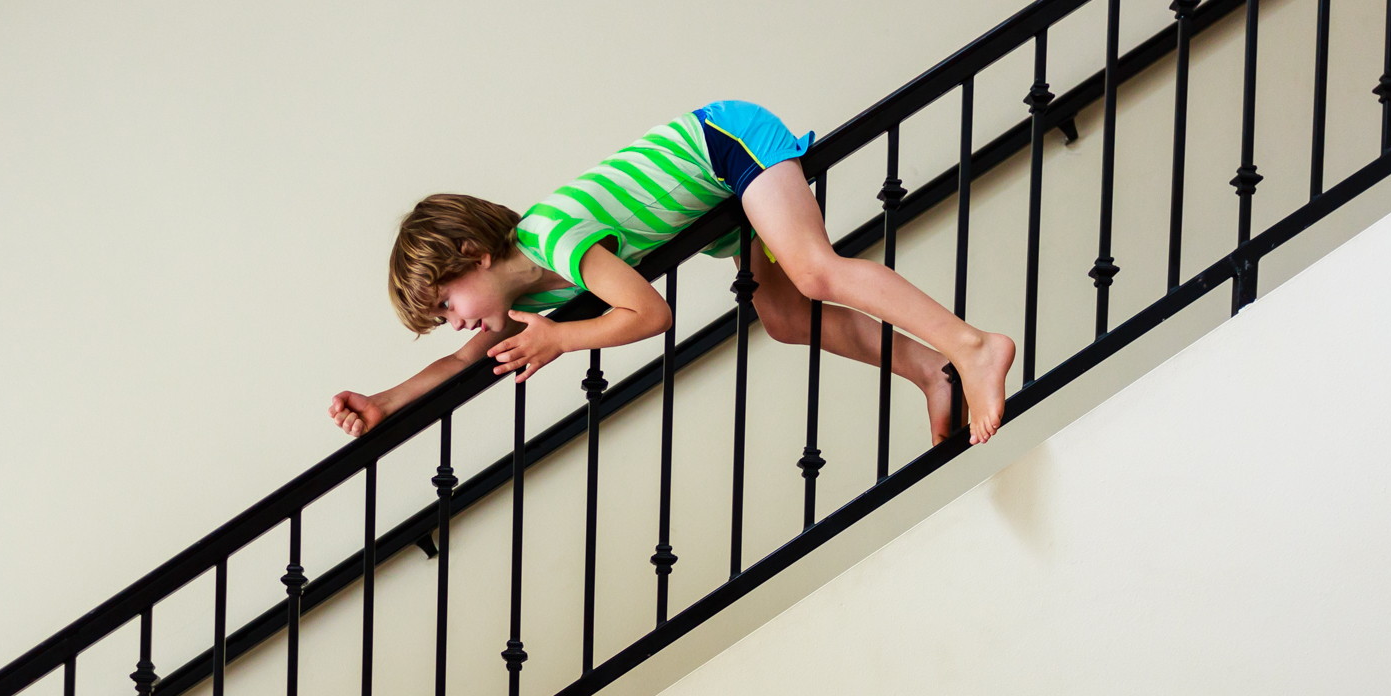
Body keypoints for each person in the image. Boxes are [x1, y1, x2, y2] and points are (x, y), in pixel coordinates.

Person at [328, 101, 1016, 447]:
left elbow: (651, 315)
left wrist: (562, 342)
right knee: (783, 318)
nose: (455, 323)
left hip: (726, 148)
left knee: (814, 273)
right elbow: (463, 363)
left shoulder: (553, 241)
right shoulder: (535, 289)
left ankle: (974, 347)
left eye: (446, 303)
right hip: (724, 211)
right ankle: (933, 371)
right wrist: (385, 403)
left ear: (474, 255)